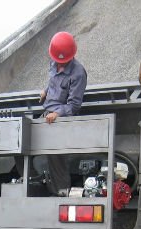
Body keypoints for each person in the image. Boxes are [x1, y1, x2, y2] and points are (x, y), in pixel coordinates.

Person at [39, 31, 87, 196]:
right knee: (24, 144)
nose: (59, 63)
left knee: (57, 159)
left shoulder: (78, 73)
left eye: (63, 60)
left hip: (61, 120)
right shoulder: (53, 63)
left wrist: (57, 113)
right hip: (46, 114)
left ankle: (62, 195)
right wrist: (46, 91)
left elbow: (74, 105)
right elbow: (54, 82)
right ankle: (36, 183)